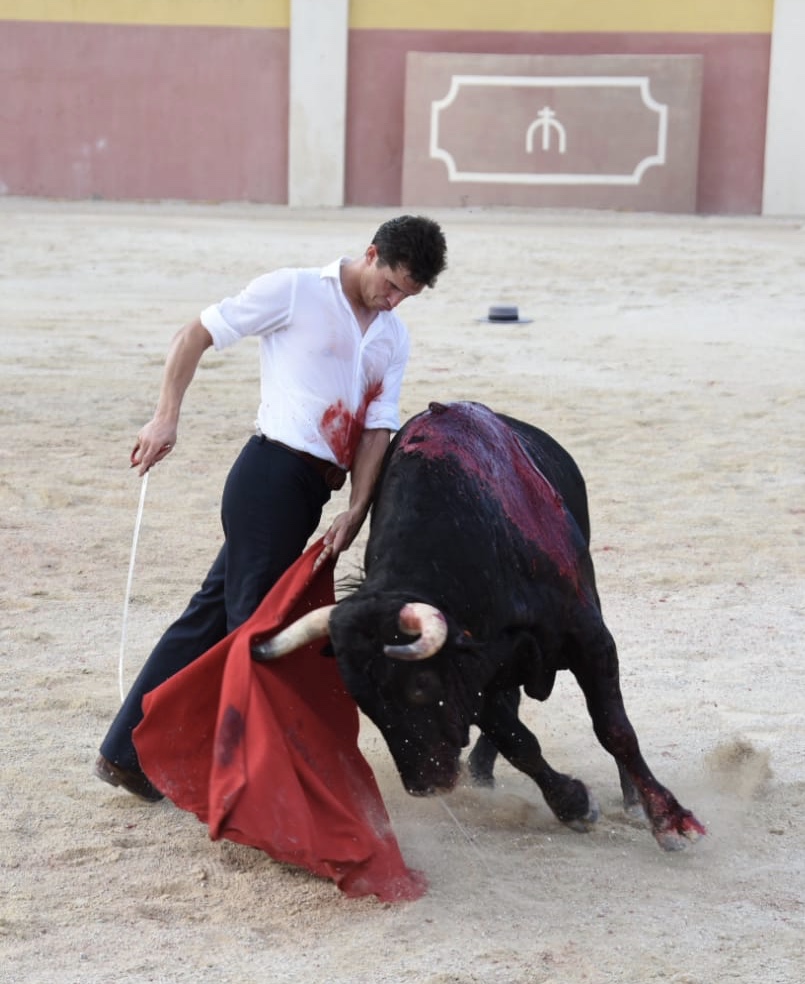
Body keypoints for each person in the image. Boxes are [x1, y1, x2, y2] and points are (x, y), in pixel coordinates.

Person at [95, 215, 447, 801]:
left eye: (407, 296)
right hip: (267, 477)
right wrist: (165, 416)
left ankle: (125, 754)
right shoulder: (296, 289)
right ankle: (249, 785)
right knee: (253, 633)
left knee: (208, 617)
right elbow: (195, 333)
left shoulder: (392, 334)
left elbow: (377, 430)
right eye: (391, 286)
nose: (394, 302)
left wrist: (356, 509)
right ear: (372, 254)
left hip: (311, 493)